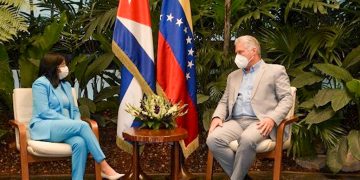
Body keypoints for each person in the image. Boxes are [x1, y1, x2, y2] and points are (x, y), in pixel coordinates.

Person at [206, 35, 293, 180]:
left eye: (240, 52)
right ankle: (241, 177)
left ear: (253, 51)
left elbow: (286, 98)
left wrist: (272, 118)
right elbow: (224, 101)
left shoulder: (275, 71)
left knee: (246, 139)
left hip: (261, 121)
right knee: (213, 139)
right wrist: (217, 117)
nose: (237, 56)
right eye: (236, 53)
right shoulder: (233, 76)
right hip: (236, 121)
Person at [29, 53, 124, 180]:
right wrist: (70, 123)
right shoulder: (40, 84)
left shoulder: (66, 85)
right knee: (83, 125)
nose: (65, 67)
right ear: (52, 67)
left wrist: (74, 121)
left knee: (80, 143)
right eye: (62, 65)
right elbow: (44, 111)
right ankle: (104, 166)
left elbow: (74, 109)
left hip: (64, 127)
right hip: (44, 127)